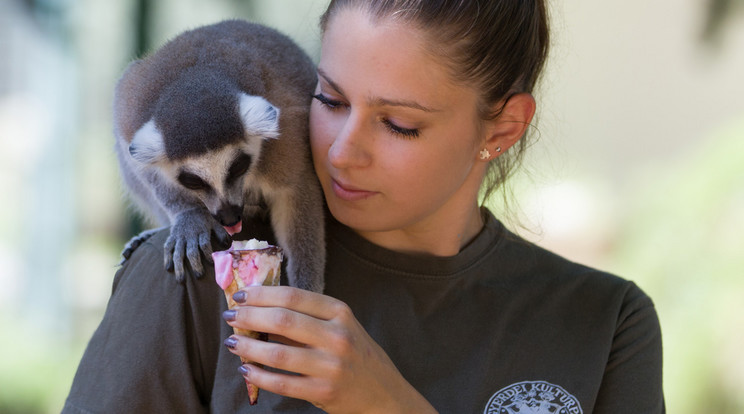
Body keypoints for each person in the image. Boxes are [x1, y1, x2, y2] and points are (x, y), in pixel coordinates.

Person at [63, 0, 664, 413]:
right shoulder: (202, 272)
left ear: (503, 127)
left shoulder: (604, 326)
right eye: (328, 99)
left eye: (398, 125)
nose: (343, 152)